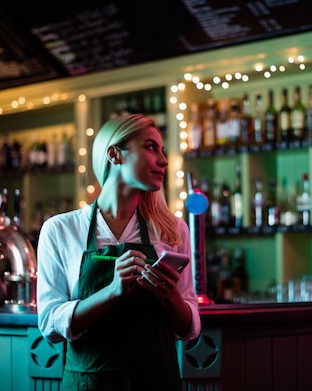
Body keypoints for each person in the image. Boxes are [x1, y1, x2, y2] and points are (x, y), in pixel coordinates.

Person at [37, 114, 201, 391]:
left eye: (162, 150)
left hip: (156, 383)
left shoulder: (173, 230)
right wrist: (113, 290)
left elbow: (189, 329)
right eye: (151, 147)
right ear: (114, 154)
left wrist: (169, 294)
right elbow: (50, 326)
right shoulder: (60, 230)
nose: (164, 160)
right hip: (87, 384)